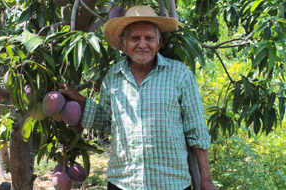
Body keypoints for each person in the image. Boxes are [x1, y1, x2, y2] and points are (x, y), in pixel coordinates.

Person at [59, 5, 217, 190]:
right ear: (124, 44)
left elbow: (196, 130)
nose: (142, 44)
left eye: (149, 38)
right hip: (123, 182)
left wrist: (206, 180)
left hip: (170, 183)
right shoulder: (113, 76)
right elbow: (107, 122)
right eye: (135, 38)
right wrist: (78, 99)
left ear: (159, 43)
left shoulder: (180, 75)